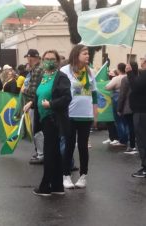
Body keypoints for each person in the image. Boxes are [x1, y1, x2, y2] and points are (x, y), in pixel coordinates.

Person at [24, 50, 71, 196]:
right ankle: (57, 186)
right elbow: (39, 95)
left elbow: (66, 98)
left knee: (49, 153)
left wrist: (51, 104)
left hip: (54, 119)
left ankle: (45, 187)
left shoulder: (61, 78)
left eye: (52, 59)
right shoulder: (43, 77)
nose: (49, 61)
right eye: (46, 59)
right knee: (55, 153)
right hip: (43, 119)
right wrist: (31, 103)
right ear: (43, 61)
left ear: (57, 61)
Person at [60, 44, 98, 189]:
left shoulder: (90, 72)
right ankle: (66, 176)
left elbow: (94, 93)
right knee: (69, 146)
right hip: (70, 115)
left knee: (83, 147)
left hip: (86, 115)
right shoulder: (65, 70)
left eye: (88, 53)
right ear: (76, 55)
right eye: (85, 53)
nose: (87, 56)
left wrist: (95, 113)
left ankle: (83, 176)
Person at [21, 49, 44, 164]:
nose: (27, 60)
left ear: (31, 58)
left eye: (28, 58)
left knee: (37, 130)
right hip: (38, 103)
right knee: (37, 129)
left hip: (34, 103)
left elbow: (34, 90)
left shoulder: (37, 70)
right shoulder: (39, 69)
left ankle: (41, 154)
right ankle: (39, 152)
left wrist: (24, 90)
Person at [126, 58, 146, 178]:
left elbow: (135, 86)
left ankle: (145, 167)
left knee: (142, 140)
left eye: (144, 59)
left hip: (141, 112)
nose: (142, 61)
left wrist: (129, 73)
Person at [106, 63, 128, 147]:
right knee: (126, 121)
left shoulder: (117, 78)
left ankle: (122, 139)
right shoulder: (129, 77)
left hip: (117, 98)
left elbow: (107, 87)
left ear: (119, 69)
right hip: (128, 100)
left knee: (119, 120)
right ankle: (128, 138)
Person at [117, 62, 137, 154]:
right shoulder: (140, 78)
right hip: (139, 107)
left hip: (128, 107)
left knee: (130, 127)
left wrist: (119, 108)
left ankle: (132, 145)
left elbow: (122, 95)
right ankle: (137, 145)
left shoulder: (125, 79)